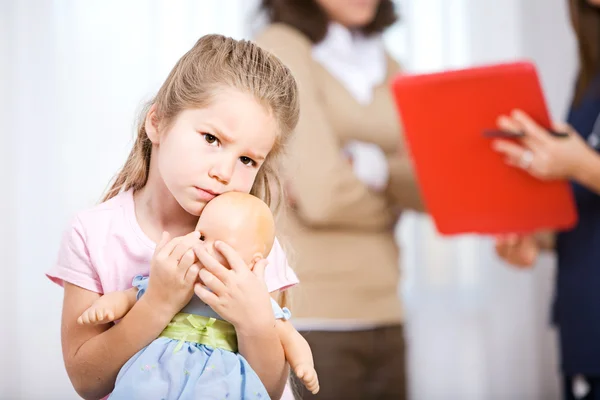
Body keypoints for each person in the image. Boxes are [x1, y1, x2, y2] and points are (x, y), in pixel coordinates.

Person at [46, 34, 300, 400]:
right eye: (211, 138)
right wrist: (157, 303)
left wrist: (255, 321)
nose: (224, 172)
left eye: (247, 160)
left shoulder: (253, 243)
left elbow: (271, 390)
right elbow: (87, 381)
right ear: (158, 122)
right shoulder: (94, 232)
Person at [255, 1, 423, 398]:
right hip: (314, 319)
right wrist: (393, 200)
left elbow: (431, 188)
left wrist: (376, 169)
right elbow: (323, 196)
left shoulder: (388, 65)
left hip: (386, 309)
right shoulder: (280, 49)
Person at [77, 192, 320, 398]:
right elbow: (132, 295)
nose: (203, 248)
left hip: (218, 385)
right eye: (202, 236)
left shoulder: (254, 299)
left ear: (253, 261)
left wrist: (303, 363)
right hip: (157, 376)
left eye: (220, 245)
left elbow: (289, 336)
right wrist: (108, 306)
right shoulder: (178, 279)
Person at [493, 1, 600, 398]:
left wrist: (581, 165)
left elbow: (584, 169)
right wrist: (537, 238)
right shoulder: (590, 73)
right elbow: (586, 212)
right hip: (584, 325)